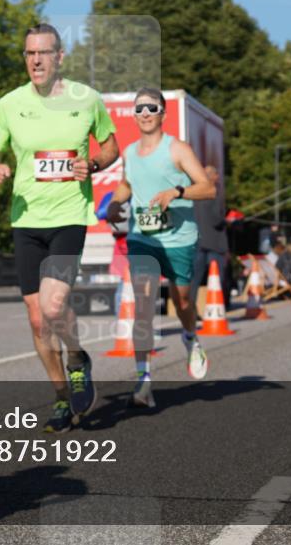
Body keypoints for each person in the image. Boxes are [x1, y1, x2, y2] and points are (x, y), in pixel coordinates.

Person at [0, 23, 118, 433]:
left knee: (54, 306)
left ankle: (76, 356)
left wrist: (93, 163)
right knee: (38, 320)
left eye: (43, 53)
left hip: (69, 216)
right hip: (26, 220)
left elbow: (111, 146)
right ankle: (61, 397)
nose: (36, 60)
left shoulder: (87, 99)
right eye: (29, 53)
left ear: (60, 56)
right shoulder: (8, 105)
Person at [107, 87, 216, 408]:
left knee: (182, 301)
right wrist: (115, 203)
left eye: (151, 108)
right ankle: (143, 381)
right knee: (143, 305)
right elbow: (127, 183)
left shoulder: (177, 149)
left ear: (162, 114)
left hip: (179, 238)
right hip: (142, 238)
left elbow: (207, 188)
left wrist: (176, 192)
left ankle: (190, 337)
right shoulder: (129, 152)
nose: (145, 114)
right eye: (139, 109)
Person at [190, 165, 229, 315]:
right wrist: (227, 221)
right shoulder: (213, 193)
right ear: (212, 177)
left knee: (195, 280)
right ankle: (217, 310)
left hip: (197, 242)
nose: (218, 177)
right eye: (216, 175)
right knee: (217, 278)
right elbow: (216, 219)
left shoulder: (194, 194)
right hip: (214, 244)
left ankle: (191, 311)